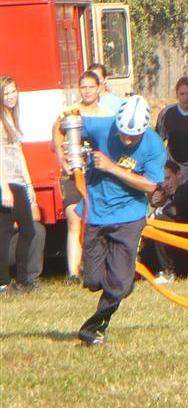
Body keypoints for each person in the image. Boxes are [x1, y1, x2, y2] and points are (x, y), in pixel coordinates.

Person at [76, 95, 166, 346]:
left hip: (129, 216)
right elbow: (65, 123)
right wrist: (63, 153)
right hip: (97, 213)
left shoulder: (154, 145)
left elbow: (150, 185)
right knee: (93, 281)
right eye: (123, 134)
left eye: (133, 137)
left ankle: (92, 329)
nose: (126, 140)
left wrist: (111, 167)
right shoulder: (103, 126)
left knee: (120, 286)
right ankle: (119, 278)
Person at [52, 70, 114, 282]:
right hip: (73, 174)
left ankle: (97, 266)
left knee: (97, 220)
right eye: (83, 87)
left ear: (99, 88)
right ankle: (73, 273)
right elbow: (56, 142)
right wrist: (64, 161)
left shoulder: (107, 115)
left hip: (97, 175)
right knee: (74, 218)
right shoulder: (68, 114)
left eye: (91, 87)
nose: (87, 91)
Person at [1, 75, 41, 295]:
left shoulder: (12, 118)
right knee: (5, 233)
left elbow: (19, 154)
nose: (10, 96)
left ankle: (23, 279)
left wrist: (29, 184)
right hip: (6, 182)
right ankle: (3, 283)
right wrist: (4, 187)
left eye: (13, 91)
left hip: (18, 182)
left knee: (28, 229)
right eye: (6, 93)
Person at [155, 76, 188, 180]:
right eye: (182, 94)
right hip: (173, 167)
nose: (185, 97)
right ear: (177, 94)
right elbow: (157, 141)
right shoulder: (166, 113)